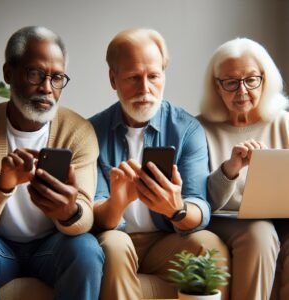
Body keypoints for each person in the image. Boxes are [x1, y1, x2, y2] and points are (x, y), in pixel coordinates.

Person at [89, 28, 230, 300]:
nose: (145, 89)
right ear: (113, 78)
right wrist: (117, 202)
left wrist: (176, 208)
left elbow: (200, 205)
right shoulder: (92, 131)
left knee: (210, 246)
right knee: (114, 246)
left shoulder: (187, 129)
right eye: (133, 78)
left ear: (163, 75)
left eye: (153, 76)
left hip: (166, 240)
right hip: (117, 237)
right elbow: (94, 216)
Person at [0, 26, 104, 300]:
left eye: (57, 78)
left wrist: (69, 211)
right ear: (8, 74)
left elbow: (85, 214)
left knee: (86, 250)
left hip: (51, 248)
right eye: (35, 74)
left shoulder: (77, 132)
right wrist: (3, 185)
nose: (46, 88)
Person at [197, 37, 289, 300]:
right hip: (225, 220)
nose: (242, 91)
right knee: (259, 230)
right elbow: (203, 202)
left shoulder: (284, 123)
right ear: (216, 86)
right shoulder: (198, 129)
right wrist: (231, 168)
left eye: (251, 80)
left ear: (264, 79)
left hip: (283, 220)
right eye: (230, 82)